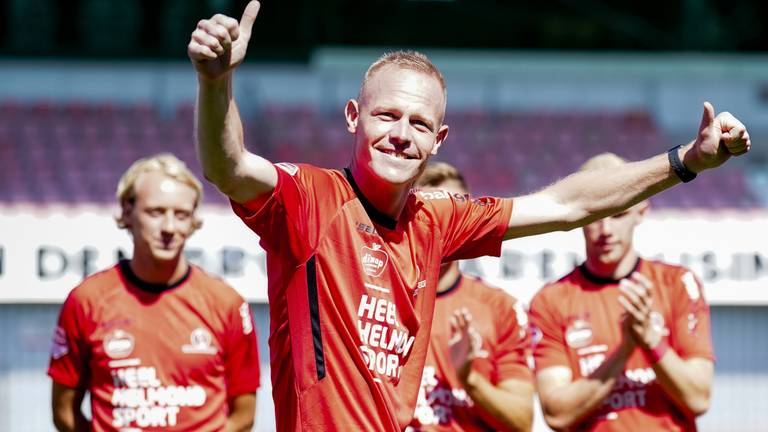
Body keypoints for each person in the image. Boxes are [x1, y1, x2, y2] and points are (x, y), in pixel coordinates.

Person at [187, 2, 749, 430]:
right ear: (353, 116)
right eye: (387, 115)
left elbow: (567, 204)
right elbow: (228, 164)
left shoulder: (438, 219)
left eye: (420, 123)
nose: (401, 135)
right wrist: (216, 84)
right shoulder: (309, 199)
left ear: (440, 140)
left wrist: (686, 161)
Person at [48, 154, 261, 432]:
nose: (169, 228)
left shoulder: (227, 304)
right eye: (156, 212)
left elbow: (244, 415)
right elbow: (64, 412)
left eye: (181, 214)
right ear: (127, 211)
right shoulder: (86, 301)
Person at [528, 152, 715, 431]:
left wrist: (650, 339)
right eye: (595, 215)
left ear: (642, 211)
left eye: (618, 214)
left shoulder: (678, 284)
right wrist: (625, 348)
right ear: (576, 216)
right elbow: (557, 415)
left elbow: (698, 398)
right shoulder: (551, 300)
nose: (605, 230)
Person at [408, 162, 533, 432]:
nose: (440, 228)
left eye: (451, 216)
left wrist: (469, 379)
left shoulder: (499, 308)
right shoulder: (377, 296)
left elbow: (522, 421)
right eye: (430, 215)